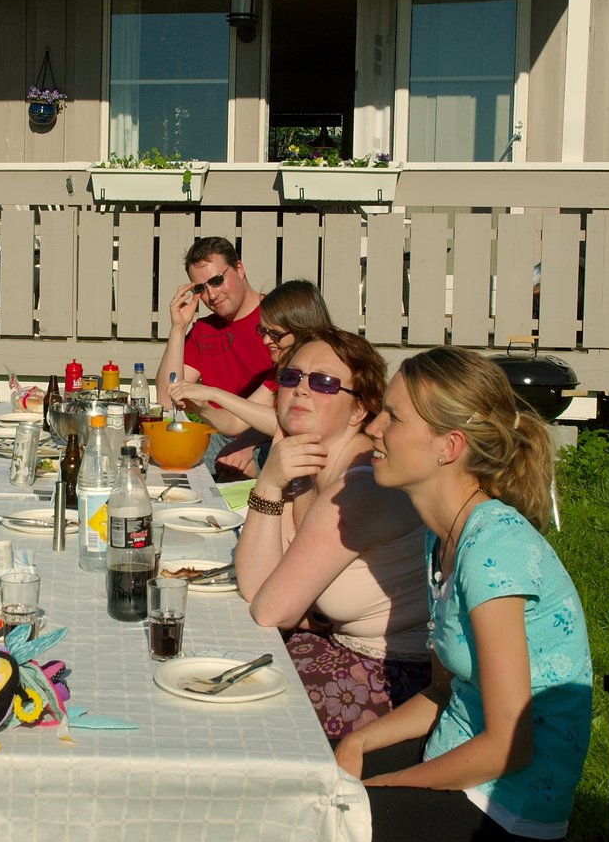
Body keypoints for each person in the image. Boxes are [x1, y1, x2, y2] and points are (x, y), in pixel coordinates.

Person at [340, 347, 593, 842]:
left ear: (449, 447)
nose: (374, 428)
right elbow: (445, 691)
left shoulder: (493, 549)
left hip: (505, 814)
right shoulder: (441, 538)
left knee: (307, 837)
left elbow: (508, 745)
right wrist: (355, 743)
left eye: (393, 417)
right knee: (303, 786)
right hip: (457, 759)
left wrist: (381, 790)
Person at [233, 329, 429, 739]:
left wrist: (267, 485)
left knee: (244, 715)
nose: (301, 389)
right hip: (342, 649)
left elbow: (269, 609)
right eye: (292, 377)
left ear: (359, 411)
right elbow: (261, 584)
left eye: (323, 382)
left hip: (395, 677)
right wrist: (277, 480)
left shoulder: (358, 489)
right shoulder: (307, 469)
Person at [156, 237, 275, 478]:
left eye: (217, 281)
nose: (211, 295)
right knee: (161, 461)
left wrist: (247, 444)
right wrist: (178, 328)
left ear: (239, 269)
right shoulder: (204, 329)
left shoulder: (277, 319)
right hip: (220, 431)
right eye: (201, 288)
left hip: (269, 434)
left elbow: (289, 408)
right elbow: (167, 399)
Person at [168, 279, 333, 448]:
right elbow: (235, 423)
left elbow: (292, 423)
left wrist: (213, 394)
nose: (266, 340)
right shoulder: (284, 368)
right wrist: (201, 408)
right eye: (263, 331)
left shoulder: (329, 369)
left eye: (275, 334)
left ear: (303, 330)